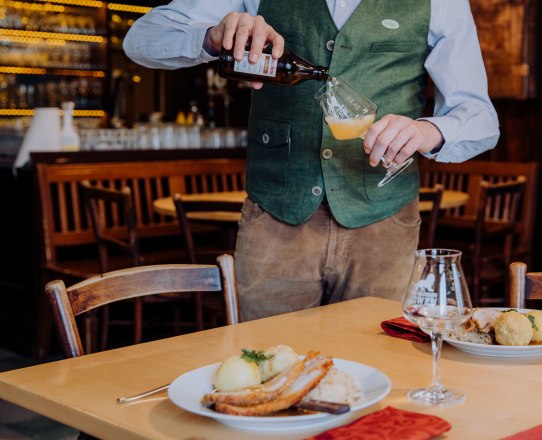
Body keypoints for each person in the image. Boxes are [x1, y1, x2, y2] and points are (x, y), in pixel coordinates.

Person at [124, 0, 499, 320]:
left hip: (384, 220)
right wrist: (211, 37)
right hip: (275, 216)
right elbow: (141, 40)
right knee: (266, 366)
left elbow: (480, 118)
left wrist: (426, 132)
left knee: (381, 368)